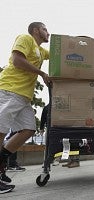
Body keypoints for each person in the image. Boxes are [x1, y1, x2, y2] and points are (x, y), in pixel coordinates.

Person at [0, 22, 50, 193]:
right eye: (45, 29)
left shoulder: (41, 51)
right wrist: (42, 73)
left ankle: (3, 158)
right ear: (36, 30)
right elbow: (17, 60)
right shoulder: (26, 38)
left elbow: (61, 52)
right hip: (9, 89)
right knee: (0, 129)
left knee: (29, 129)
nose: (48, 33)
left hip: (24, 97)